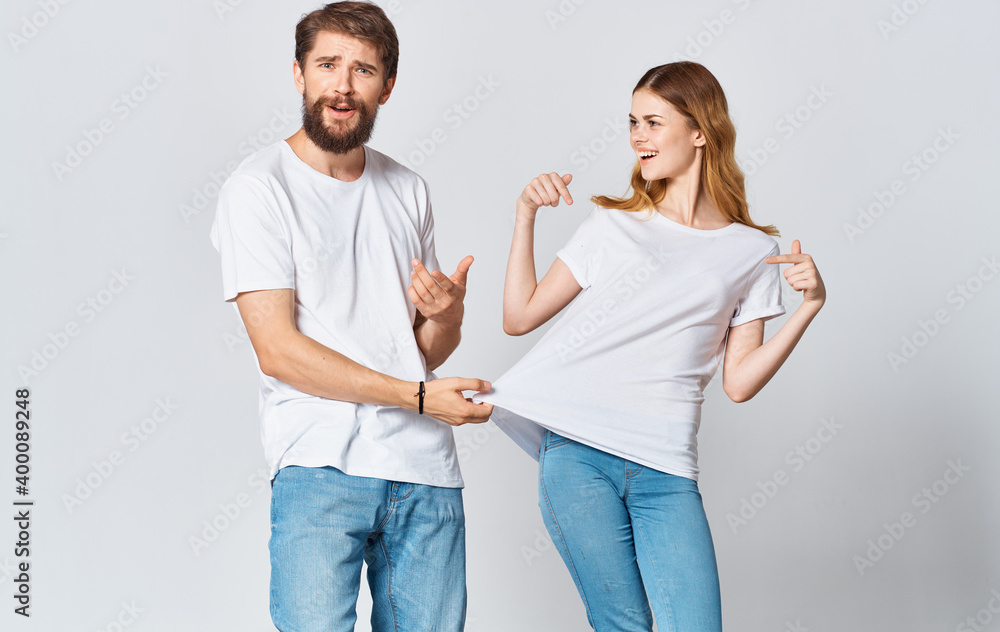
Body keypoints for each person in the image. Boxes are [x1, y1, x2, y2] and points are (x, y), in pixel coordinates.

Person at [475, 61, 826, 631]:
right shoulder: (613, 225)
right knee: (623, 625)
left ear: (700, 131)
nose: (638, 136)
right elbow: (519, 318)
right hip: (578, 456)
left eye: (654, 122)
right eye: (633, 122)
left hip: (665, 467)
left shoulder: (752, 251)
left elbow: (739, 383)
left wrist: (809, 306)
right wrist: (525, 216)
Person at [209, 2, 493, 631]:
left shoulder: (408, 188)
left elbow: (419, 348)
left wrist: (448, 315)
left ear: (386, 86)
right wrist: (417, 397)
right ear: (299, 73)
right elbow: (278, 351)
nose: (342, 85)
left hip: (423, 469)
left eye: (363, 70)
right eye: (327, 65)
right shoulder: (258, 189)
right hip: (319, 464)